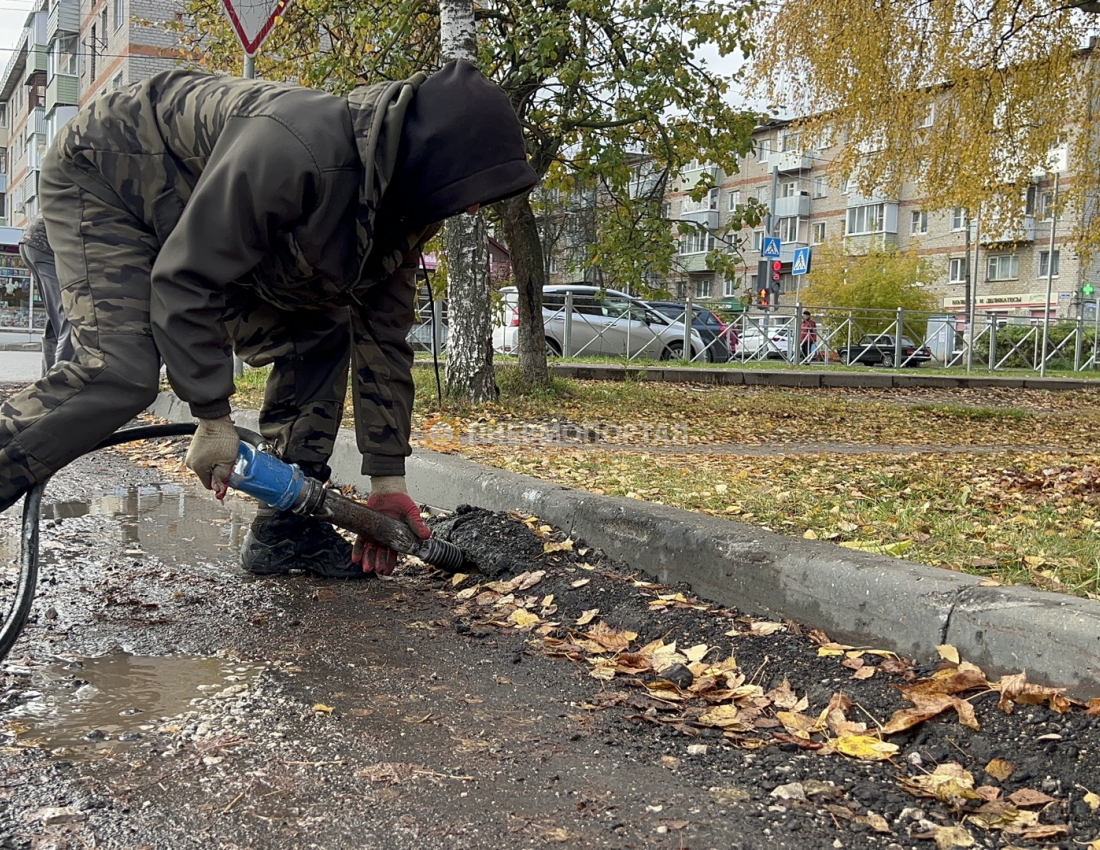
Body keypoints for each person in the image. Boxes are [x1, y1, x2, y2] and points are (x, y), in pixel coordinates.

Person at [0, 59, 537, 578]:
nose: (471, 210)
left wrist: (386, 480)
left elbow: (384, 340)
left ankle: (286, 530)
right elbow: (187, 277)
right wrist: (212, 417)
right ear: (434, 158)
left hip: (193, 219)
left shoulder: (401, 209)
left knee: (323, 330)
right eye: (472, 192)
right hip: (109, 179)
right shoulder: (297, 148)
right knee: (119, 371)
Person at [18, 215, 74, 372]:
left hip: (34, 241)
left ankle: (49, 380)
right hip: (47, 244)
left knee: (56, 318)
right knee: (70, 315)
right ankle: (62, 382)